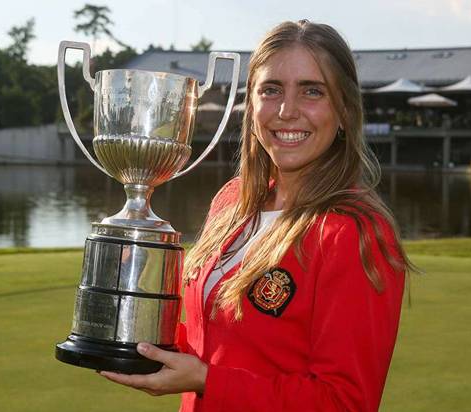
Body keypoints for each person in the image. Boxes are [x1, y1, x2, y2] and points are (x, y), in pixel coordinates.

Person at [99, 19, 412, 412]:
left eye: (312, 91)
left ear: (345, 110)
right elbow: (216, 342)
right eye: (271, 90)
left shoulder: (353, 232)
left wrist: (207, 381)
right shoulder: (233, 202)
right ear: (252, 105)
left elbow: (344, 402)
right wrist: (129, 335)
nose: (286, 111)